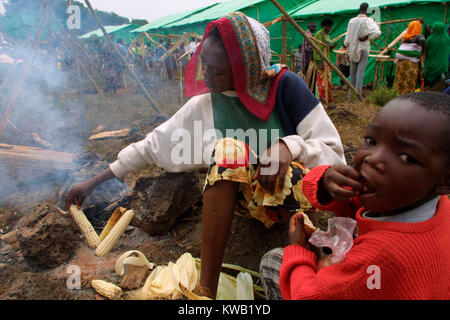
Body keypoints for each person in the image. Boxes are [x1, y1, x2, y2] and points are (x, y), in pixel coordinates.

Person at [65, 12, 345, 299]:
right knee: (228, 151)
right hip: (247, 203)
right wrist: (92, 183)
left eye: (218, 71)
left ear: (246, 68)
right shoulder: (208, 103)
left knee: (284, 167)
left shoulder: (287, 88)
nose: (207, 77)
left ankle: (303, 265)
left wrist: (289, 146)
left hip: (295, 203)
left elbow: (334, 155)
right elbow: (152, 145)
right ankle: (206, 291)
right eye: (205, 66)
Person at [260, 91, 450, 300]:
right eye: (371, 140)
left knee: (273, 261)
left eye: (406, 157)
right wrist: (324, 183)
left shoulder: (382, 255)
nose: (373, 159)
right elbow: (353, 202)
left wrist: (299, 251)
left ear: (445, 181)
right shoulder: (435, 206)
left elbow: (307, 296)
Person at [344, 2, 381, 100]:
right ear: (367, 10)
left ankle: (350, 97)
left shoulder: (351, 21)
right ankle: (358, 97)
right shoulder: (368, 20)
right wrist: (367, 37)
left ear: (359, 9)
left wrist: (346, 45)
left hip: (352, 49)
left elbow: (347, 38)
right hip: (363, 48)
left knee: (352, 74)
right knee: (360, 73)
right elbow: (377, 33)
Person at [393, 20, 426, 94]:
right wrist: (423, 51)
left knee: (400, 82)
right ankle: (407, 101)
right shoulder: (418, 36)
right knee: (408, 83)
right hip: (410, 64)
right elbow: (422, 39)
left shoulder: (405, 37)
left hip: (400, 64)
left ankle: (397, 99)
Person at [313, 18, 337, 102]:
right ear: (324, 26)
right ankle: (321, 97)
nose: (329, 28)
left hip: (327, 59)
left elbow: (327, 47)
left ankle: (327, 97)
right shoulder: (319, 34)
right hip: (321, 59)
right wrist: (320, 60)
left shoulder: (327, 35)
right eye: (328, 26)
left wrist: (332, 47)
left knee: (328, 79)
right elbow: (318, 48)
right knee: (322, 79)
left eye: (330, 27)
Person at [424, 22, 449, 88]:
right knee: (440, 87)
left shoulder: (430, 39)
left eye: (433, 29)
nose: (431, 30)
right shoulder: (447, 39)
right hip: (443, 67)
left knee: (429, 87)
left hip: (431, 66)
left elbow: (425, 52)